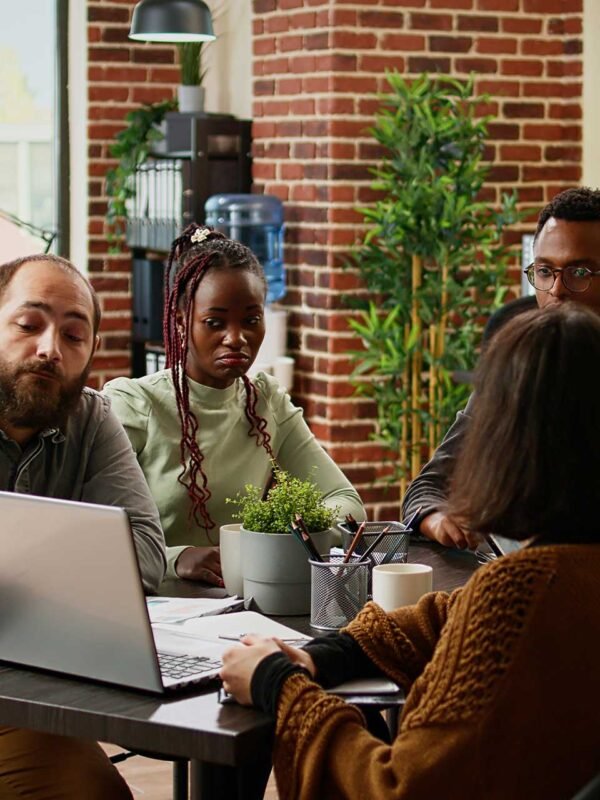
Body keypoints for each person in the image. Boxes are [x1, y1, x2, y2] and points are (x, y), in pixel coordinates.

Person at [220, 304, 600, 800]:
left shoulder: (522, 593)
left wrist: (277, 684)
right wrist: (329, 655)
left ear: (508, 443)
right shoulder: (567, 573)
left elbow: (396, 789)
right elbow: (449, 616)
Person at [104, 225, 365, 584]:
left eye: (251, 321)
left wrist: (275, 535)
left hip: (241, 605)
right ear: (180, 322)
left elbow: (345, 501)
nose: (236, 338)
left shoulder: (266, 402)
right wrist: (173, 559)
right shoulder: (135, 405)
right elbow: (92, 531)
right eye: (215, 322)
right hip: (152, 603)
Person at [0, 253, 166, 800]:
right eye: (28, 325)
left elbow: (144, 555)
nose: (50, 349)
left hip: (31, 691)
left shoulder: (91, 418)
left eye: (74, 336)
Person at [402, 186, 600, 549]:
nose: (557, 290)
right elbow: (428, 487)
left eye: (580, 271)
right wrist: (439, 519)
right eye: (545, 271)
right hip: (524, 572)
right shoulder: (522, 366)